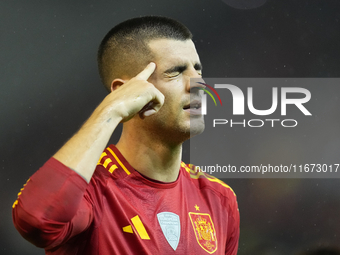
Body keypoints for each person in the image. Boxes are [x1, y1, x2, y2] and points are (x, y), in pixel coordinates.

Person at [12, 16, 240, 254]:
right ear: (124, 91)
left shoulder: (218, 198)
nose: (199, 84)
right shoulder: (91, 189)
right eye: (175, 72)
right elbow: (36, 222)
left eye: (198, 69)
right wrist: (111, 110)